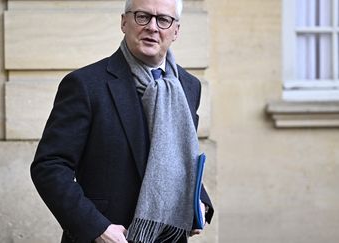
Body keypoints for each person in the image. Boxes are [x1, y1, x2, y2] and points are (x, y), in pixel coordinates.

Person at [30, 0, 214, 242]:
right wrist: (97, 228)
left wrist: (199, 202)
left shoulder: (188, 86)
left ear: (176, 30)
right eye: (142, 16)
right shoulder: (85, 85)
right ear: (123, 22)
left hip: (169, 236)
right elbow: (49, 166)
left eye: (163, 20)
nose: (152, 27)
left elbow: (181, 156)